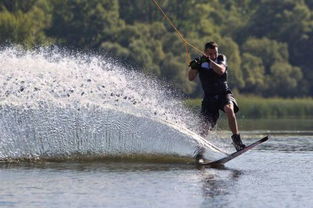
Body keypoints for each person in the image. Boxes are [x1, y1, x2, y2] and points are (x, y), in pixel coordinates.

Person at [188, 41, 245, 152]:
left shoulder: (221, 59)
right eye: (210, 54)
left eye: (215, 53)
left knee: (229, 110)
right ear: (205, 52)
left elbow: (221, 71)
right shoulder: (200, 62)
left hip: (223, 93)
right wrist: (194, 67)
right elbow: (190, 78)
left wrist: (209, 61)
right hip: (209, 98)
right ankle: (200, 151)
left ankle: (237, 141)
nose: (214, 56)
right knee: (204, 128)